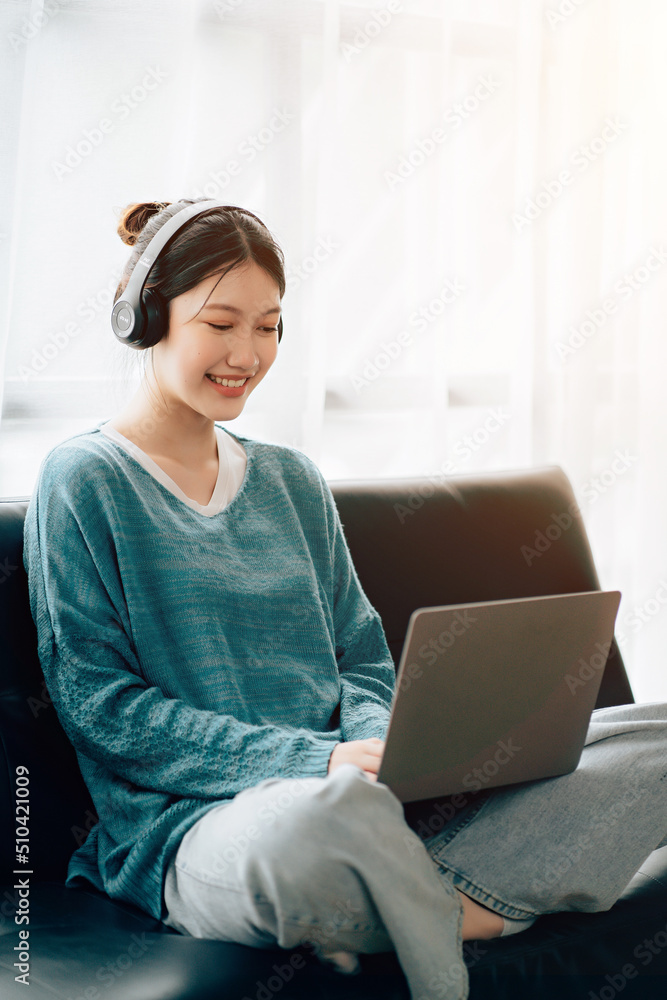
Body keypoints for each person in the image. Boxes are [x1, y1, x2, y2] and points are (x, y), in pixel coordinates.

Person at [22, 199, 667, 1000]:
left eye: (268, 327)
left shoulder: (292, 480)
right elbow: (103, 710)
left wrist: (380, 754)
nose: (247, 354)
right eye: (220, 324)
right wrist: (317, 765)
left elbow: (361, 660)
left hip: (369, 800)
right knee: (314, 828)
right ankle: (462, 899)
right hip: (212, 825)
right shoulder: (83, 480)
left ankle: (418, 891)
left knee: (651, 740)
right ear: (146, 317)